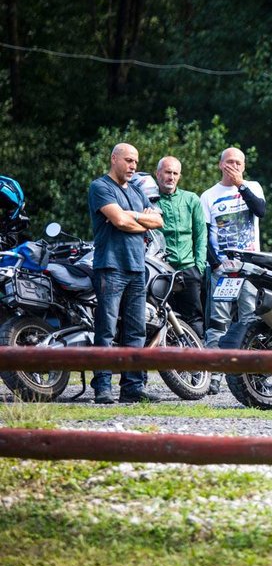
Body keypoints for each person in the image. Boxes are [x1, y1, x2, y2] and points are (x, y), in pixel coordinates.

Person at [88, 143, 164, 404]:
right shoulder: (100, 187)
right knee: (106, 330)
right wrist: (138, 220)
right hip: (110, 267)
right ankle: (102, 388)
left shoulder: (136, 191)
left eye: (136, 162)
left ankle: (132, 387)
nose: (133, 166)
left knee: (136, 331)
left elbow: (159, 221)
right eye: (128, 160)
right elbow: (119, 221)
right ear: (114, 159)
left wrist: (132, 216)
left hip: (137, 268)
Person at [202, 147, 266, 395]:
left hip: (249, 270)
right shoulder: (208, 196)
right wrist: (216, 265)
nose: (234, 166)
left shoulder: (253, 187)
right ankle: (214, 375)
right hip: (222, 271)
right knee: (218, 323)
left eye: (238, 163)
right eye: (229, 162)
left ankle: (252, 375)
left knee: (250, 321)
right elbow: (204, 236)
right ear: (220, 165)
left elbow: (260, 211)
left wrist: (241, 185)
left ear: (244, 166)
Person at [155, 156, 207, 338]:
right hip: (161, 269)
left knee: (194, 318)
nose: (171, 177)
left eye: (175, 173)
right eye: (168, 172)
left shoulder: (191, 199)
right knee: (161, 317)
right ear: (158, 174)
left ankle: (198, 353)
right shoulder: (150, 200)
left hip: (188, 269)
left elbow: (201, 234)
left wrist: (199, 267)